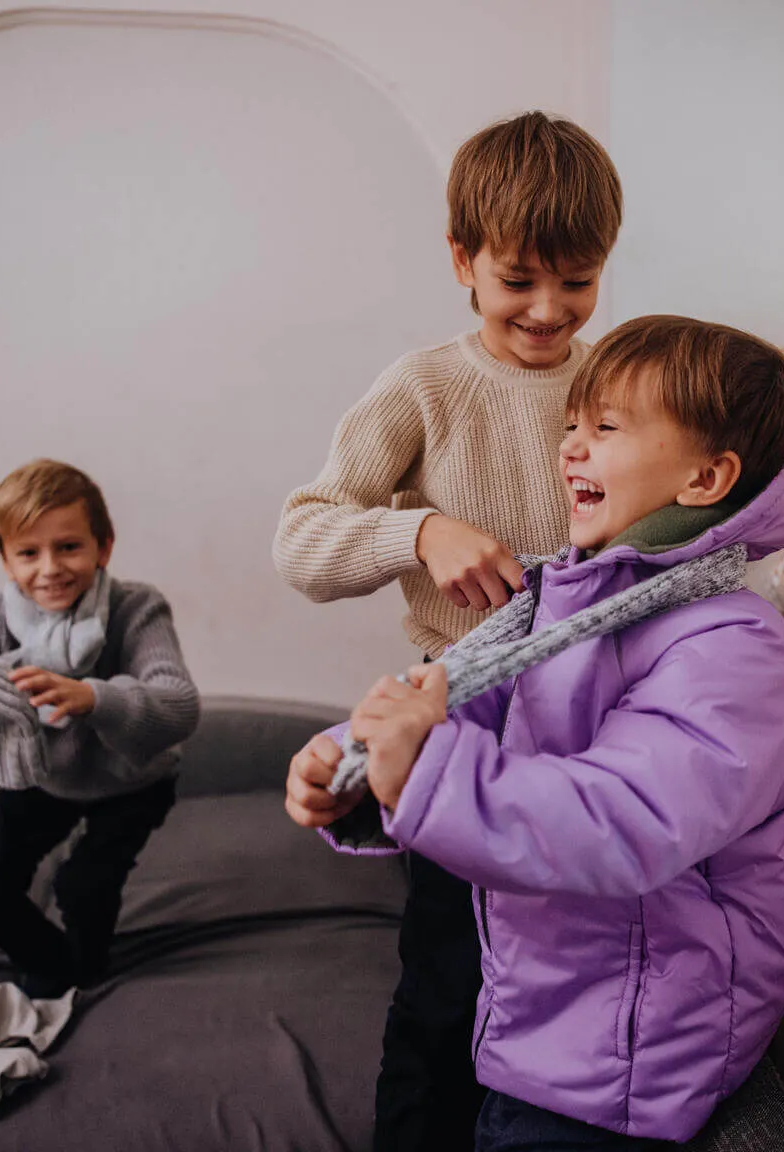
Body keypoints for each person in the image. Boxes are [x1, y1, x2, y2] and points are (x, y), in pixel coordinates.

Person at [288, 316, 784, 1148]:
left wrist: (423, 767)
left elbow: (623, 817)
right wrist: (354, 769)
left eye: (605, 429)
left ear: (707, 478)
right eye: (572, 424)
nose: (569, 447)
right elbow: (467, 708)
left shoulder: (730, 645)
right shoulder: (563, 604)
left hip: (633, 1055)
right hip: (541, 1021)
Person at [273, 111, 623, 1151]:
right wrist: (418, 531)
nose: (549, 311)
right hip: (458, 725)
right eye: (519, 279)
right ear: (462, 260)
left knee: (566, 981)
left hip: (593, 726)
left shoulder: (620, 387)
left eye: (579, 280)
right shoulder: (421, 389)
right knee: (446, 982)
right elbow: (301, 542)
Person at [0, 459, 199, 995]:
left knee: (83, 888)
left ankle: (91, 969)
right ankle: (59, 966)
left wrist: (94, 697)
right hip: (40, 776)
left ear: (105, 547)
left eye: (69, 547)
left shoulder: (136, 607)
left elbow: (178, 705)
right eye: (28, 552)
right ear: (5, 560)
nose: (50, 568)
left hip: (132, 781)